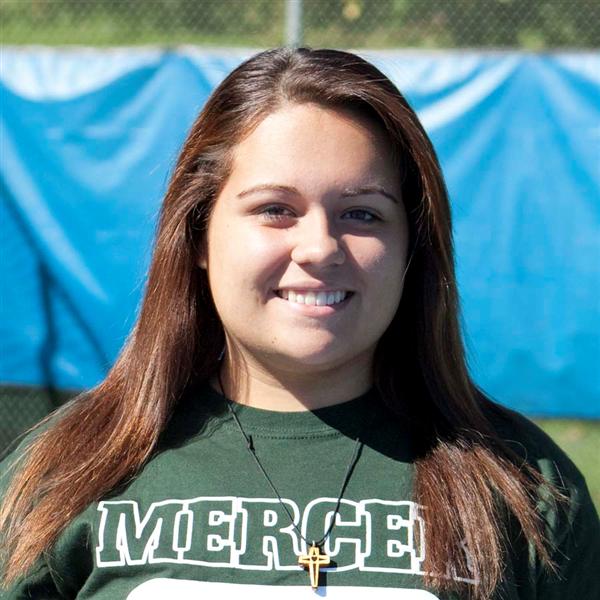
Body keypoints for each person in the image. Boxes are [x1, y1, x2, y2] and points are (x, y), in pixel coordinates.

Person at [0, 47, 598, 600]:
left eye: (361, 214)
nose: (319, 248)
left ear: (412, 246)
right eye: (275, 210)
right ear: (199, 234)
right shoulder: (63, 472)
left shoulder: (526, 487)